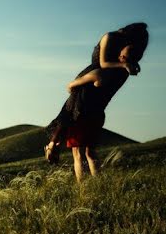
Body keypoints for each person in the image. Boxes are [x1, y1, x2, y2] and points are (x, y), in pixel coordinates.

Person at [44, 23, 148, 180]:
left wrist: (74, 84)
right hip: (97, 114)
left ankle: (84, 189)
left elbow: (71, 85)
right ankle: (99, 184)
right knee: (90, 153)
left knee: (78, 155)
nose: (122, 51)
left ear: (123, 59)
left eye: (124, 55)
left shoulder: (100, 74)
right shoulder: (122, 75)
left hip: (82, 112)